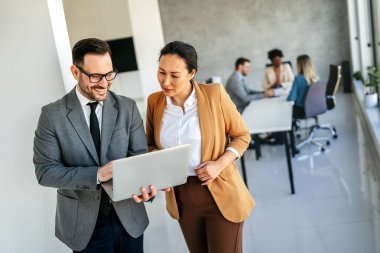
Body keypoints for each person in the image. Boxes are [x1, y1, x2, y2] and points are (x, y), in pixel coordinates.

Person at [33, 38, 157, 253]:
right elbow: (45, 172)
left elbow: (139, 158)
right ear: (75, 72)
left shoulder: (127, 107)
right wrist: (97, 175)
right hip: (84, 225)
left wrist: (147, 188)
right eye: (95, 76)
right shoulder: (52, 115)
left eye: (109, 74)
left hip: (129, 218)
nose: (104, 83)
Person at [145, 41, 255, 253]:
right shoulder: (154, 102)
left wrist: (218, 164)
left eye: (174, 75)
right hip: (181, 199)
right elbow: (149, 145)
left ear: (191, 73)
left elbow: (242, 135)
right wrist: (159, 168)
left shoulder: (214, 94)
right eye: (161, 72)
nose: (165, 81)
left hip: (219, 193)